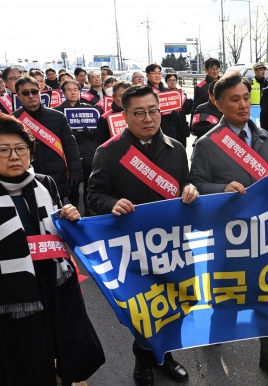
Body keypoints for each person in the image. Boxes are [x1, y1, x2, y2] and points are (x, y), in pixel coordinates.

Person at [0, 112, 104, 385]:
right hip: (9, 299)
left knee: (62, 354)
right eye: (3, 150)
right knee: (22, 365)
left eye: (21, 148)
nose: (14, 156)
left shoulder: (45, 184)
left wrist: (68, 219)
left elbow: (59, 236)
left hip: (54, 288)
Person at [190, 72, 268, 386]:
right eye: (233, 100)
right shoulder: (207, 143)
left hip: (266, 234)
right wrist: (221, 188)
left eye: (245, 98)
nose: (241, 105)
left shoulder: (263, 136)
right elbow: (195, 185)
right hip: (229, 237)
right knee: (225, 294)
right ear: (218, 103)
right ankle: (215, 336)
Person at [88, 85, 197, 386]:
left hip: (173, 245)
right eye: (139, 113)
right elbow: (93, 195)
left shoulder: (176, 149)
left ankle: (166, 356)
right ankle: (143, 361)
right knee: (143, 310)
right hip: (133, 250)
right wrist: (111, 203)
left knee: (175, 305)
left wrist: (190, 189)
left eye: (153, 111)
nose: (148, 118)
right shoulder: (109, 153)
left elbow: (185, 184)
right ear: (125, 116)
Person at [12, 77, 83, 204]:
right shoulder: (14, 120)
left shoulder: (57, 117)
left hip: (56, 178)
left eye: (34, 91)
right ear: (18, 96)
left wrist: (76, 172)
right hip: (26, 178)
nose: (31, 96)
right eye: (25, 93)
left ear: (40, 92)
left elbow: (70, 147)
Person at [55, 79, 100, 212]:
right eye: (69, 90)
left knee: (89, 184)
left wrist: (90, 132)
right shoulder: (57, 111)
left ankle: (87, 210)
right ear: (63, 92)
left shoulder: (90, 109)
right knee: (72, 186)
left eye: (76, 90)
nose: (73, 93)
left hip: (87, 153)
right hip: (67, 154)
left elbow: (97, 134)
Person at [96, 80, 131, 146]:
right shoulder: (104, 118)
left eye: (129, 95)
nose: (126, 99)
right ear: (113, 97)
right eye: (121, 96)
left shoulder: (139, 114)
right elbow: (101, 145)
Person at [164, 72, 192, 147]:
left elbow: (187, 111)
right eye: (170, 80)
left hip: (181, 126)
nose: (172, 82)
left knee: (182, 148)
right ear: (166, 82)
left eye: (174, 80)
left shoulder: (182, 94)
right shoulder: (163, 95)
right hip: (169, 127)